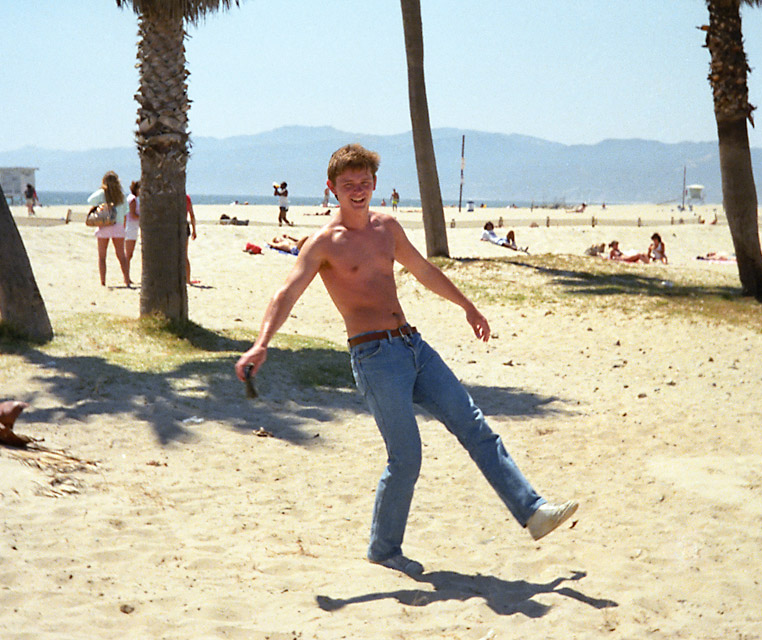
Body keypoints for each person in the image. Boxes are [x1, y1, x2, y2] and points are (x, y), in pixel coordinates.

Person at [235, 144, 578, 575]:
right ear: (332, 189)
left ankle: (533, 511)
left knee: (474, 426)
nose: (357, 191)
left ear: (375, 184)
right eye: (348, 185)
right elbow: (285, 292)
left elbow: (423, 270)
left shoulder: (387, 227)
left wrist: (467, 306)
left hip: (413, 346)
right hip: (374, 356)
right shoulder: (325, 243)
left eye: (364, 183)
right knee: (407, 456)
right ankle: (383, 549)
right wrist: (261, 342)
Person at [88, 171, 131, 287]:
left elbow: (90, 200)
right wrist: (123, 226)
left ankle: (103, 282)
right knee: (121, 256)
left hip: (104, 225)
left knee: (102, 256)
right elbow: (126, 212)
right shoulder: (121, 195)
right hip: (118, 227)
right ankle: (127, 280)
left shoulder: (102, 194)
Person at [125, 180, 141, 265]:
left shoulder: (131, 198)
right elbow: (133, 214)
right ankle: (126, 276)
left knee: (129, 255)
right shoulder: (133, 199)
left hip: (132, 227)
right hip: (131, 227)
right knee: (128, 254)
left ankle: (126, 276)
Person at [186, 194, 198, 284]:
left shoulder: (173, 196)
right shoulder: (187, 198)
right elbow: (192, 215)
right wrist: (194, 230)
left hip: (175, 226)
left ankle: (187, 279)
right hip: (184, 225)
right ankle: (187, 279)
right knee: (184, 255)